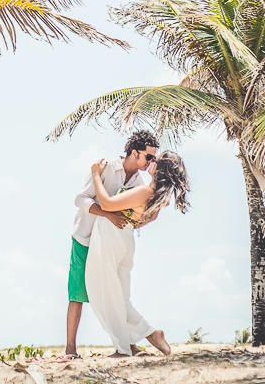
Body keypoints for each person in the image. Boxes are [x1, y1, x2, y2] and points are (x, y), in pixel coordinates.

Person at [85, 149, 189, 358]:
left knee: (103, 292)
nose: (150, 161)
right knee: (120, 297)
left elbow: (106, 204)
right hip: (125, 237)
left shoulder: (145, 191)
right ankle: (151, 334)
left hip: (111, 236)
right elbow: (142, 220)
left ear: (160, 169)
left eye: (154, 160)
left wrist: (96, 175)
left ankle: (123, 348)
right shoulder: (156, 196)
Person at [65, 130, 160, 359]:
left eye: (153, 159)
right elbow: (80, 199)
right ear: (134, 153)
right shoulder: (105, 167)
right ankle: (70, 349)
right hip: (85, 238)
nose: (151, 162)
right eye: (148, 157)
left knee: (115, 294)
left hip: (109, 244)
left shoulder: (139, 182)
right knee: (77, 294)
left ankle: (127, 345)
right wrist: (107, 215)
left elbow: (137, 217)